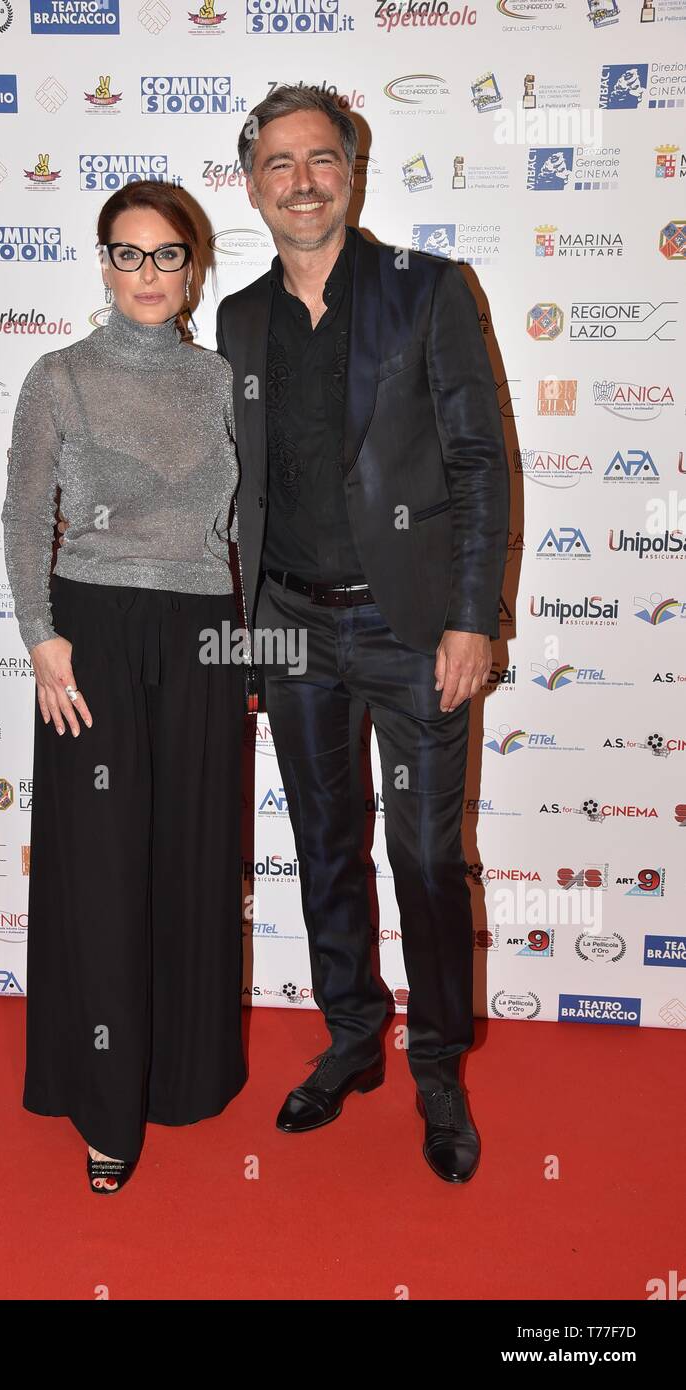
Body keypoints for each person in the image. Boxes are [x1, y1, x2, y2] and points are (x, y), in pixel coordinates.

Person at [215, 85, 510, 1183]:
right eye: (277, 163)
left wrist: (469, 619)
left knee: (425, 857)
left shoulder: (425, 290)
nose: (300, 179)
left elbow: (480, 464)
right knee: (325, 851)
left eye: (319, 159)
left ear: (353, 170)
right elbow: (241, 495)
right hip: (287, 627)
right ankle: (351, 1036)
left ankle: (435, 1066)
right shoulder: (239, 317)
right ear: (252, 185)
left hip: (409, 629)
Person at [1, 181, 246, 1194]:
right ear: (103, 264)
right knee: (101, 868)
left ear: (193, 268)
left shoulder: (227, 378)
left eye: (167, 255)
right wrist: (41, 641)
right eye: (128, 254)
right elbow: (24, 517)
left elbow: (242, 532)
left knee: (190, 853)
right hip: (92, 635)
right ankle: (104, 1107)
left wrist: (249, 657)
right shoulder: (58, 375)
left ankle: (179, 1076)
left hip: (201, 632)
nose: (147, 274)